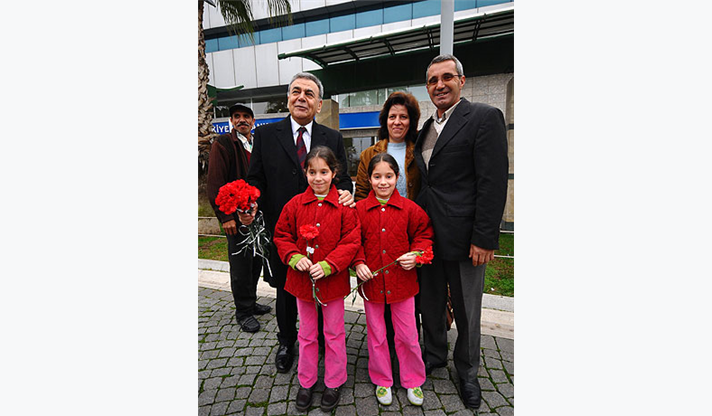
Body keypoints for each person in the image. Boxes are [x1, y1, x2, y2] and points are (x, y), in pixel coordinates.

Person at [414, 54, 509, 410]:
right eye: (432, 80)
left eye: (447, 77)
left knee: (468, 310)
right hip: (429, 236)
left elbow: (492, 182)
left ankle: (468, 372)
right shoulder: (427, 127)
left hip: (467, 238)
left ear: (461, 81)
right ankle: (434, 354)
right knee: (431, 302)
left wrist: (484, 237)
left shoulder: (483, 117)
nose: (440, 85)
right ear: (427, 87)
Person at [244, 72, 355, 374]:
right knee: (285, 289)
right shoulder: (266, 135)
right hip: (283, 232)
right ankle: (286, 341)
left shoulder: (332, 137)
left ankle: (318, 340)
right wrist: (249, 202)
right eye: (296, 91)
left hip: (324, 232)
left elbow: (343, 178)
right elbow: (255, 179)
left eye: (309, 93)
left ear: (319, 104)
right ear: (288, 98)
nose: (301, 97)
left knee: (320, 286)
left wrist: (346, 192)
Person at [273, 146, 360, 413]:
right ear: (306, 173)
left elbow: (351, 241)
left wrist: (330, 264)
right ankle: (307, 380)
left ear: (334, 173)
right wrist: (293, 256)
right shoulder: (295, 205)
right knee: (307, 334)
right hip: (303, 284)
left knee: (334, 333)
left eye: (324, 172)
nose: (318, 178)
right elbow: (282, 235)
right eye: (312, 172)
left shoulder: (345, 207)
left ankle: (334, 380)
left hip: (332, 283)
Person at [352, 153, 433, 407]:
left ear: (397, 177)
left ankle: (413, 379)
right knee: (377, 334)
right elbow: (353, 242)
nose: (383, 182)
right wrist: (359, 262)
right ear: (369, 179)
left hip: (402, 284)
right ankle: (382, 378)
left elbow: (424, 235)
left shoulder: (410, 209)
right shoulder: (359, 210)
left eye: (388, 176)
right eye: (377, 177)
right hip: (372, 284)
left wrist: (417, 254)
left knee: (407, 335)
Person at [206, 104, 271, 333]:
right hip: (236, 217)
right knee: (241, 265)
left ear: (253, 121)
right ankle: (243, 312)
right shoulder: (223, 144)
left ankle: (250, 303)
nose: (241, 120)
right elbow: (215, 182)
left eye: (246, 116)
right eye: (237, 116)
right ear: (231, 121)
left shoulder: (258, 143)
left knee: (255, 261)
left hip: (257, 215)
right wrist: (226, 217)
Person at [354, 91, 422, 201]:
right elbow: (361, 196)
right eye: (392, 117)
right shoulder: (368, 155)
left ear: (411, 121)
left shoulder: (420, 152)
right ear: (386, 120)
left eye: (403, 117)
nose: (397, 122)